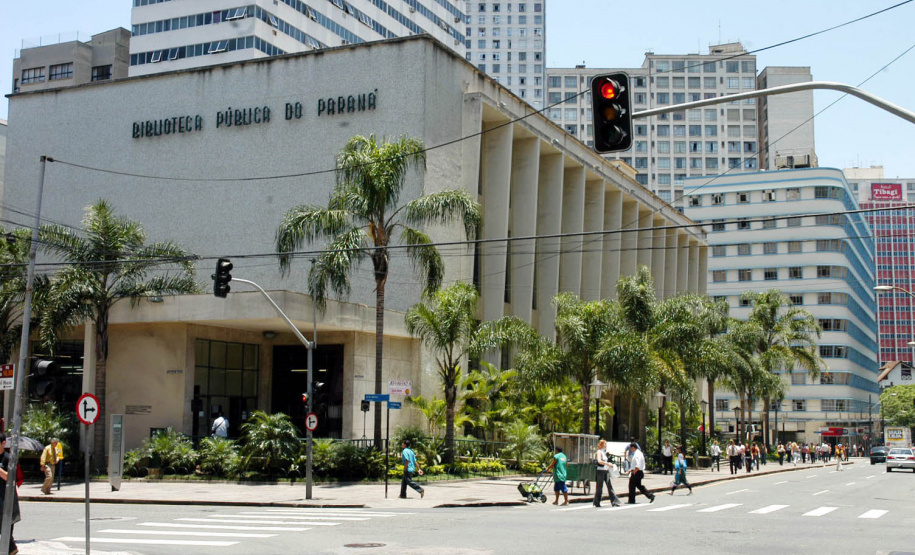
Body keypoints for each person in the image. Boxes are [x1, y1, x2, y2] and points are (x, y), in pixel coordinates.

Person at [0, 433, 20, 555]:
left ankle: (11, 549)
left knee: (6, 530)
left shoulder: (8, 458)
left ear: (3, 443)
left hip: (5, 500)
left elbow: (11, 478)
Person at [593, 439, 622, 507]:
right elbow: (599, 461)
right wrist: (608, 464)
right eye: (604, 444)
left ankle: (614, 501)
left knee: (609, 486)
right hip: (600, 471)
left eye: (606, 444)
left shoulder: (604, 452)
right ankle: (597, 502)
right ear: (601, 445)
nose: (605, 445)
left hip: (606, 470)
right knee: (599, 487)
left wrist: (608, 465)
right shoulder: (599, 452)